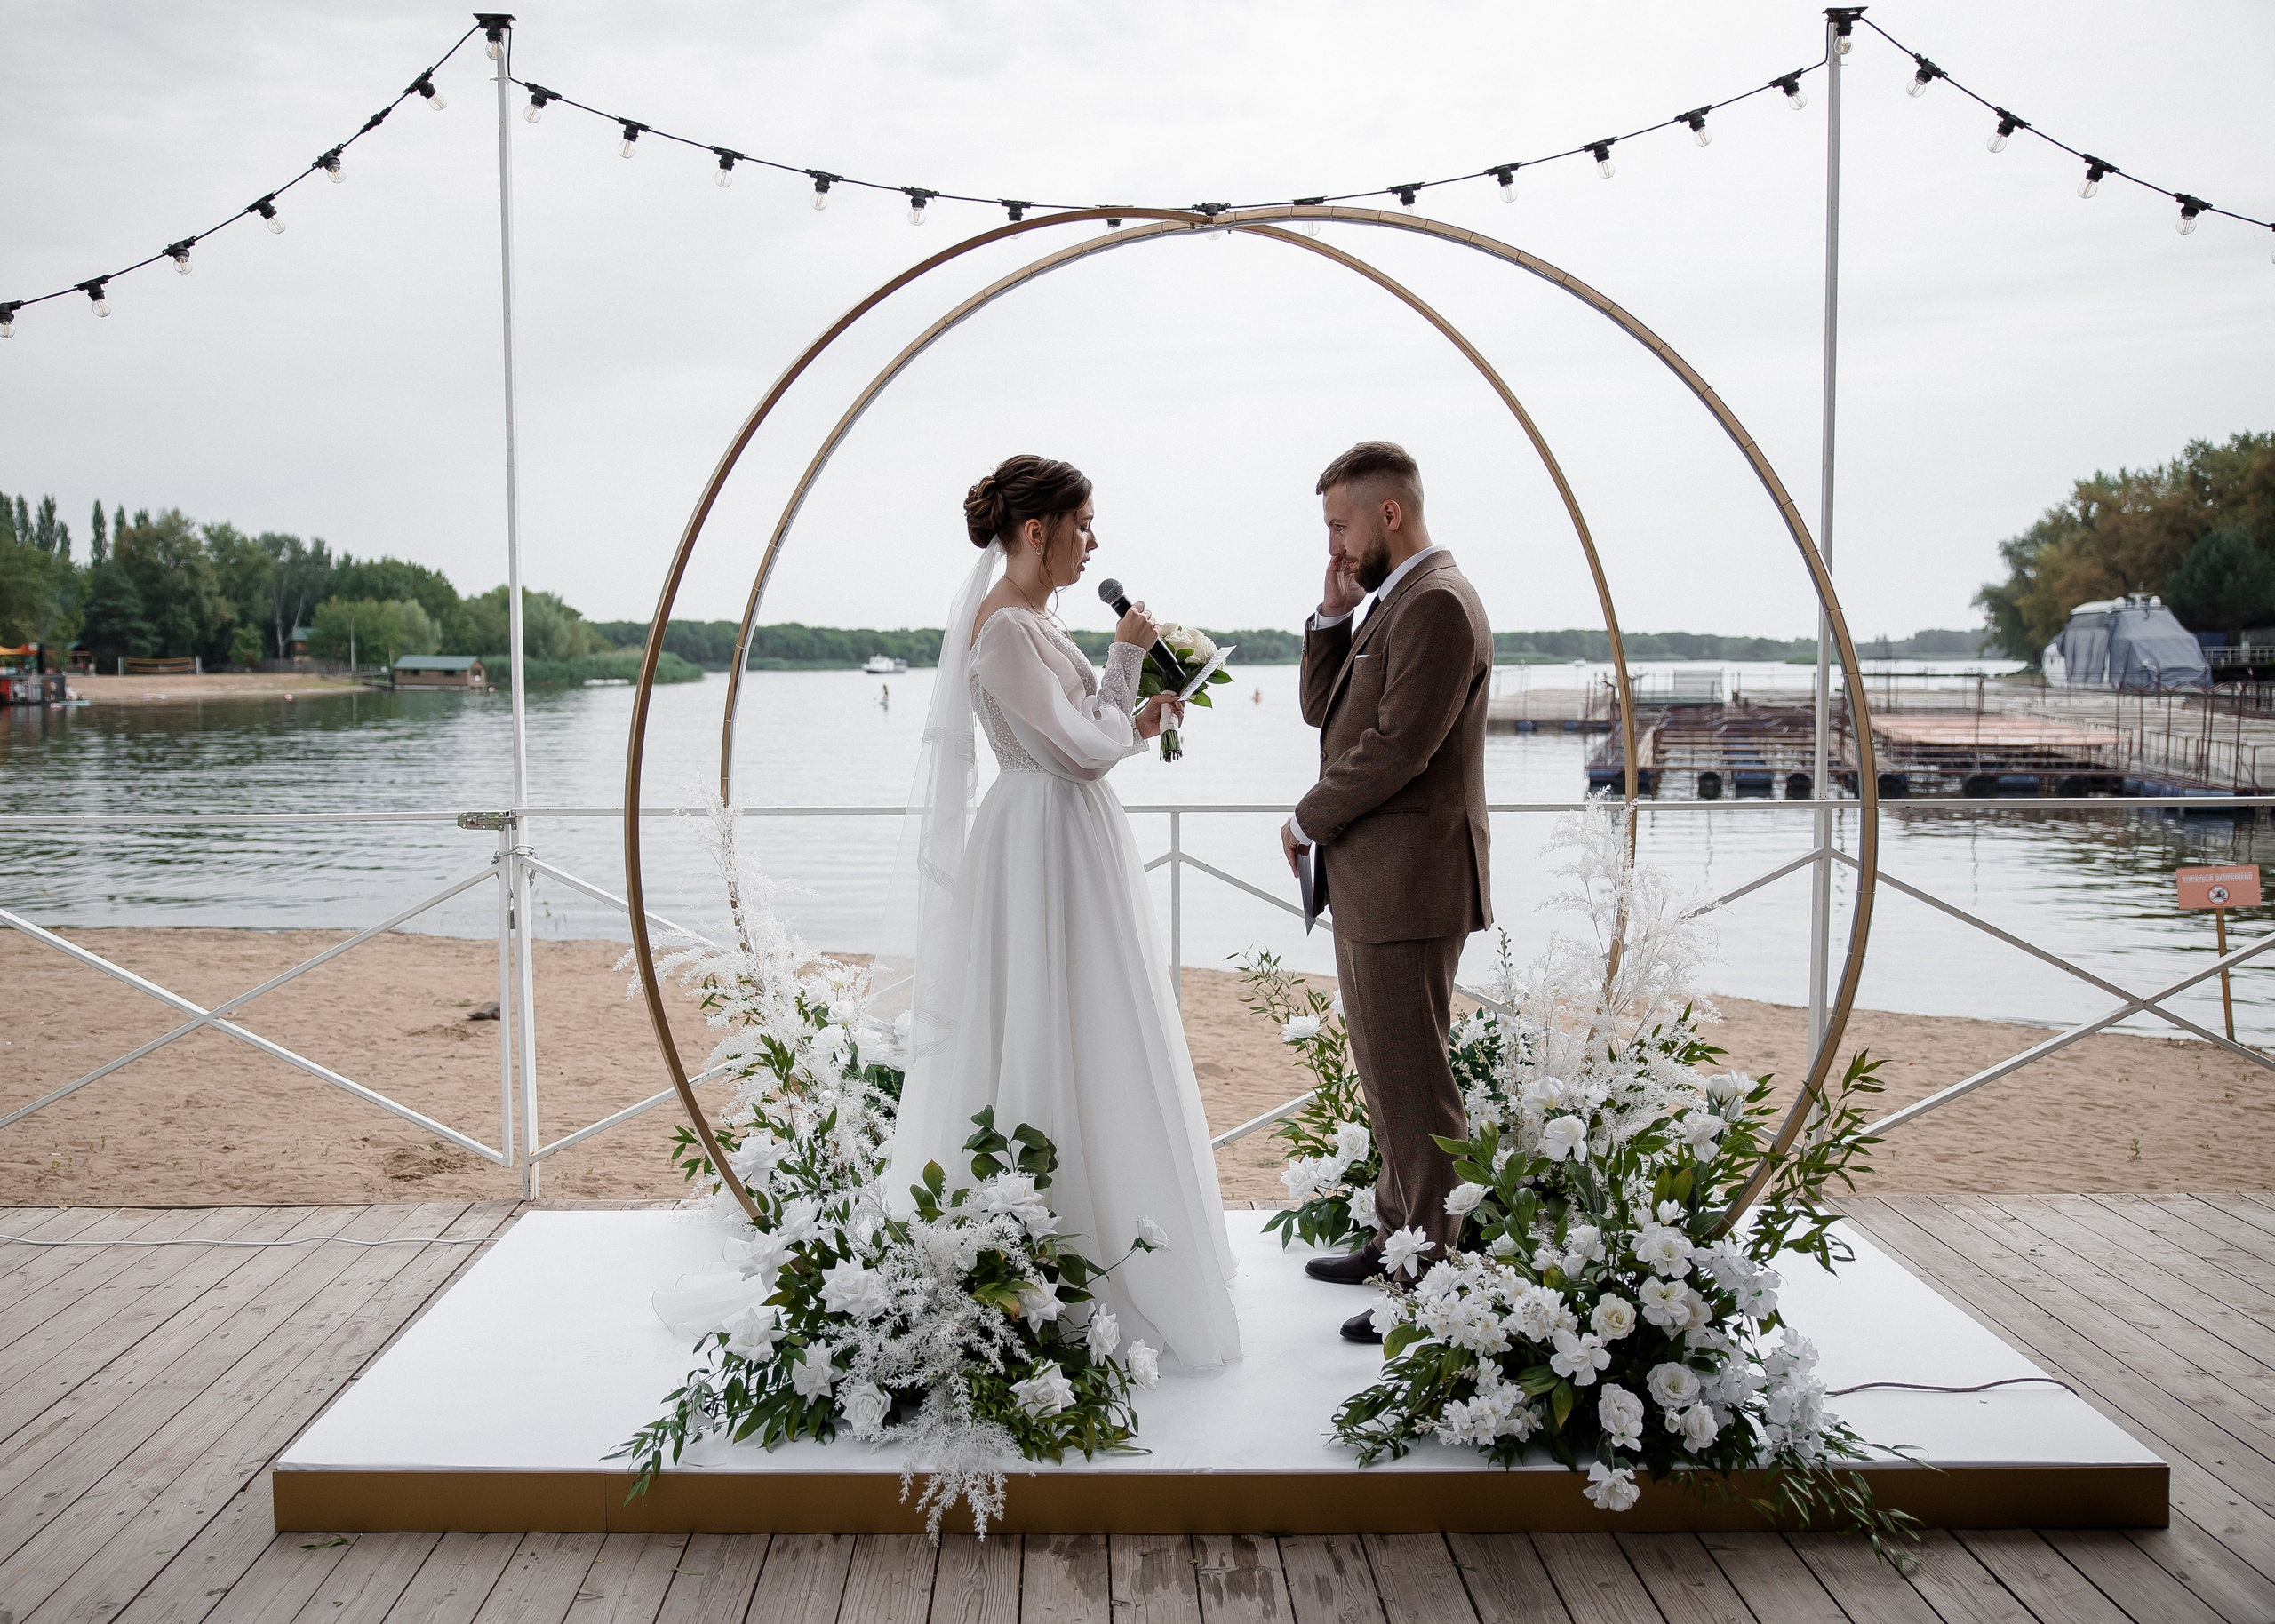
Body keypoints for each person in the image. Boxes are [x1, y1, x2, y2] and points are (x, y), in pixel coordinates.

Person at [881, 454, 1242, 1370]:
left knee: (1096, 1019)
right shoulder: (1000, 629)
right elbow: (1078, 748)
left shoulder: (1034, 621)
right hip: (1038, 834)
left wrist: (1143, 708)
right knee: (1042, 1019)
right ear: (1034, 530)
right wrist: (1124, 657)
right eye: (1083, 522)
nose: (1094, 541)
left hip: (1068, 829)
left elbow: (1089, 721)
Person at [1280, 441, 1493, 1344]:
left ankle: (1436, 1277)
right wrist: (1330, 617)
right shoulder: (1389, 601)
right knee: (1384, 1072)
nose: (1333, 541)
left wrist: (1306, 818)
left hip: (1412, 879)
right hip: (1376, 880)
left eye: (1339, 522)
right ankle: (1396, 1237)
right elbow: (1323, 713)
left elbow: (1397, 747)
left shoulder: (1437, 602)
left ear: (1388, 514)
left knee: (1415, 1083)